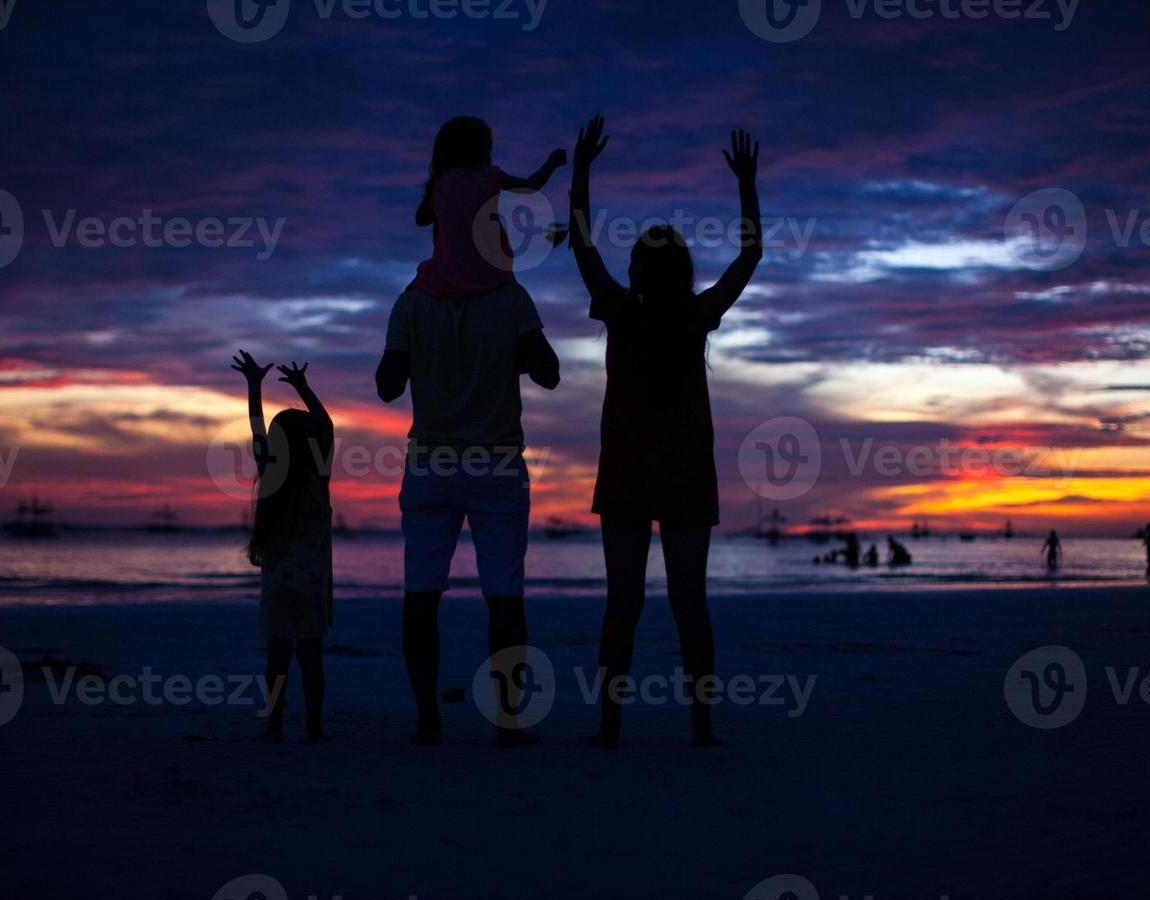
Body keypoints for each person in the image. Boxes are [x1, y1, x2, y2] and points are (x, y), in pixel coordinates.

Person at [569, 116, 762, 748]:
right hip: (681, 479)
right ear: (680, 270)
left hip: (629, 477)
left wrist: (582, 168)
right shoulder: (695, 315)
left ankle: (608, 725)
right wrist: (746, 185)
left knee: (623, 603)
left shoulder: (622, 312)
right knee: (688, 603)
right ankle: (700, 727)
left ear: (638, 270)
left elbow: (580, 243)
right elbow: (750, 255)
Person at [375, 269, 560, 748]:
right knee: (504, 596)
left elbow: (387, 386)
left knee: (421, 594)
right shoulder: (511, 297)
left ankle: (427, 720)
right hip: (496, 464)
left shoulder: (412, 300)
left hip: (430, 464)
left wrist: (431, 355)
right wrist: (495, 352)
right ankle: (507, 721)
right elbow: (549, 373)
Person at [232, 351, 333, 743]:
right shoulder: (318, 476)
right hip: (311, 584)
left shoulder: (272, 475)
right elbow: (326, 425)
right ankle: (314, 726)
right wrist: (304, 388)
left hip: (278, 583)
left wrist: (255, 385)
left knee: (277, 656)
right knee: (311, 656)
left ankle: (273, 725)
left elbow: (257, 430)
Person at [412, 116, 567, 299]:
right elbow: (530, 186)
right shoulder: (490, 176)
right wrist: (551, 163)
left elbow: (420, 219)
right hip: (493, 273)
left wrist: (448, 208)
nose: (490, 155)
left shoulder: (441, 183)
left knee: (414, 291)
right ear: (474, 149)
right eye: (488, 149)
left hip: (449, 275)